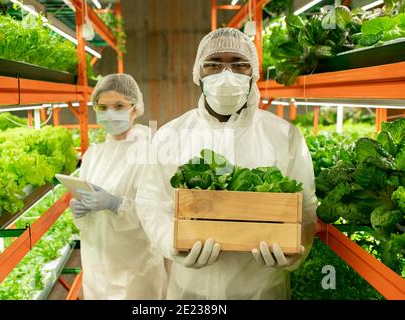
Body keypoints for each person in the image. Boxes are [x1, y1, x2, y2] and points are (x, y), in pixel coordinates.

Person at [135, 28, 317, 299]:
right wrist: (170, 244)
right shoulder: (170, 135)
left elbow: (306, 208)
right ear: (198, 73)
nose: (226, 75)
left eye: (239, 64)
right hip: (190, 291)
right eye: (214, 65)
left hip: (261, 288)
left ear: (253, 73)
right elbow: (151, 201)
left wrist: (294, 251)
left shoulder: (284, 135)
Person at [69, 73, 167, 300]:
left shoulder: (149, 151)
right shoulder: (94, 154)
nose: (110, 113)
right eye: (102, 107)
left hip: (135, 268)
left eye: (119, 106)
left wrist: (116, 205)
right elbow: (83, 202)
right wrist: (79, 210)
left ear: (135, 108)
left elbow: (157, 212)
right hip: (96, 264)